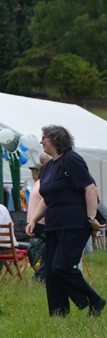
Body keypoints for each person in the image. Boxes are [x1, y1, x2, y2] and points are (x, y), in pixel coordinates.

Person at [25, 125, 105, 317]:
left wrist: (91, 217)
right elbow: (46, 198)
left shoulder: (72, 160)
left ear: (56, 139)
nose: (41, 141)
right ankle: (58, 314)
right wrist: (34, 219)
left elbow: (90, 189)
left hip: (74, 224)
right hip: (53, 225)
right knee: (51, 273)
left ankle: (95, 301)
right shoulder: (50, 166)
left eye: (44, 137)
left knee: (61, 267)